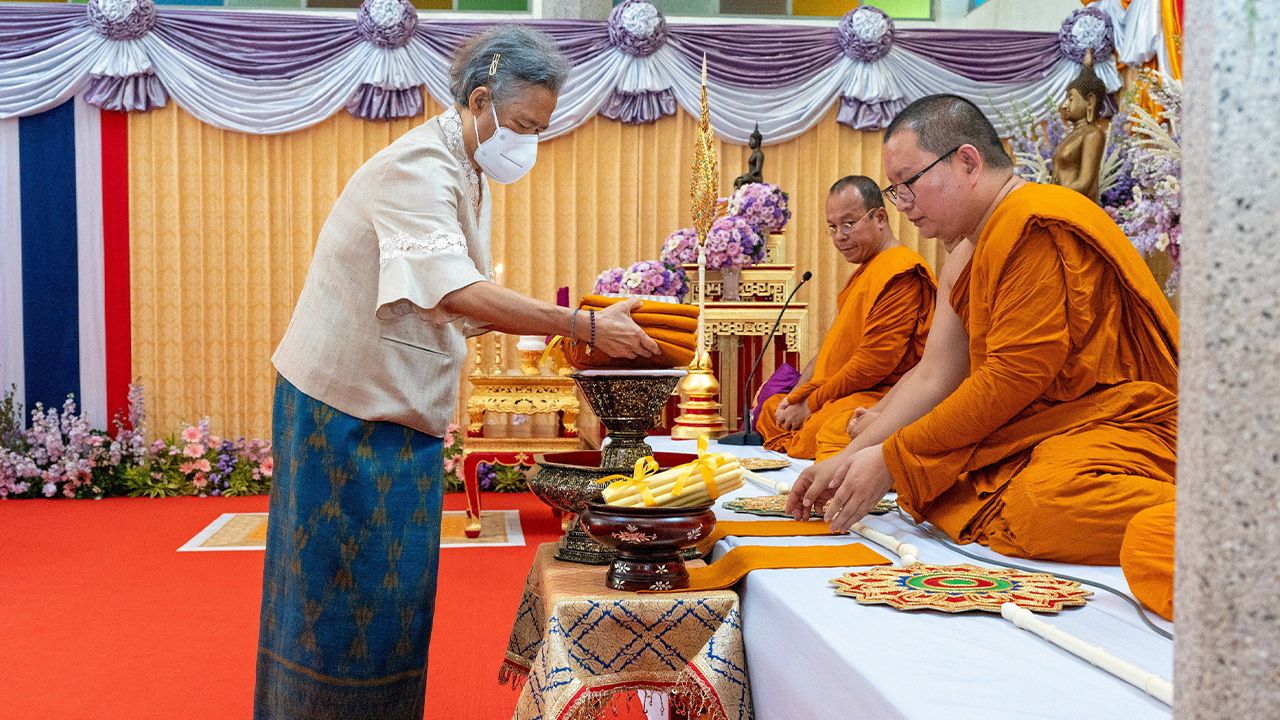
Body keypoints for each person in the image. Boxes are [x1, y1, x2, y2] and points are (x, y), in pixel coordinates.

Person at [254, 26, 657, 720]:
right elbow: (452, 292)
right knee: (340, 601)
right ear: (479, 101)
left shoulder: (465, 166)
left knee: (394, 598)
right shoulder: (418, 168)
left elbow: (462, 295)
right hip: (343, 411)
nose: (529, 143)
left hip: (394, 410)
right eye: (525, 126)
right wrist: (584, 327)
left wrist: (574, 325)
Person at [789, 94, 1178, 567]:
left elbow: (1014, 377)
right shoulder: (970, 251)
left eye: (907, 184)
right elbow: (936, 374)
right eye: (895, 191)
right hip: (1049, 430)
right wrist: (858, 454)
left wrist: (895, 458)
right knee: (942, 481)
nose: (903, 204)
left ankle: (1226, 520)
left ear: (967, 162)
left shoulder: (1034, 223)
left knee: (1042, 505)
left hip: (1123, 423)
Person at [754, 176, 934, 460]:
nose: (839, 236)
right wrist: (795, 398)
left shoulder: (900, 273)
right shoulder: (869, 271)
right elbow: (829, 352)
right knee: (771, 410)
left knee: (829, 430)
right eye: (833, 227)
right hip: (842, 392)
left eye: (848, 224)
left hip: (880, 393)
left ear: (879, 218)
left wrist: (811, 403)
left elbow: (874, 364)